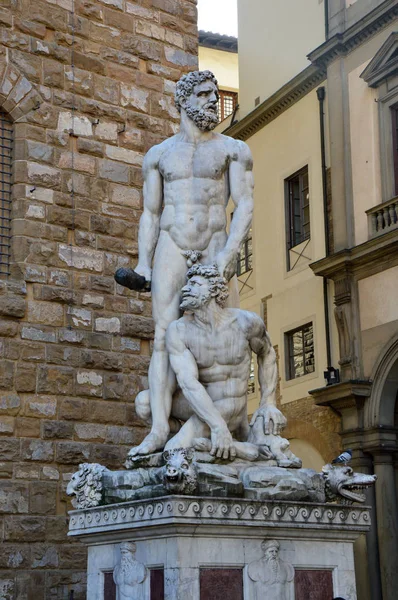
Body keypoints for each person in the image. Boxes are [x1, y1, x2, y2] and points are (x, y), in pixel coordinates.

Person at [124, 70, 255, 456]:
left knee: (223, 335)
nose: (214, 101)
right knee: (164, 335)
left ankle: (228, 425)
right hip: (172, 245)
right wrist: (143, 264)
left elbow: (244, 205)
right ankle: (160, 428)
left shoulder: (233, 149)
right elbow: (150, 213)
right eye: (204, 94)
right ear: (182, 101)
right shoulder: (159, 155)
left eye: (216, 94)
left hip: (215, 247)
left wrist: (229, 256)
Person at [135, 264, 286, 459]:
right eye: (187, 284)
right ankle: (198, 436)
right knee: (144, 403)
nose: (186, 289)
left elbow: (267, 354)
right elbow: (188, 383)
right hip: (199, 402)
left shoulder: (246, 322)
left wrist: (268, 401)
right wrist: (217, 426)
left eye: (195, 284)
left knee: (175, 450)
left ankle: (245, 450)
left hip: (230, 401)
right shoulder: (179, 330)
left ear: (214, 290)